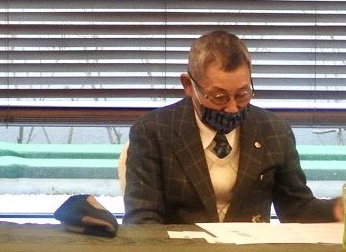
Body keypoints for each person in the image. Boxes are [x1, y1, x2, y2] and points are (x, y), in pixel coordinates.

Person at [123, 30, 343, 224]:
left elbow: (296, 209)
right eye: (219, 97)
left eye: (242, 95)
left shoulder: (274, 131)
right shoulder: (153, 132)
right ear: (189, 85)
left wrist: (337, 208)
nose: (232, 108)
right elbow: (143, 220)